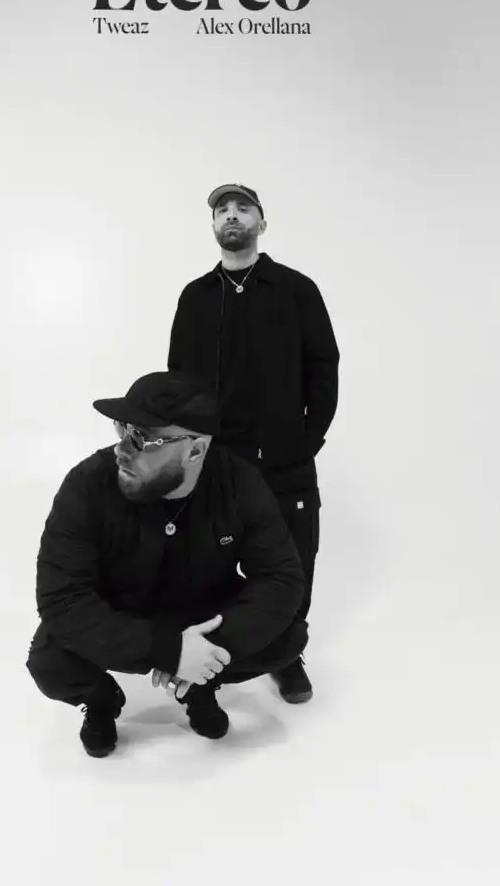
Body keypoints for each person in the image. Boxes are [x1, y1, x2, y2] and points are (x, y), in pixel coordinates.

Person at [25, 370, 308, 758]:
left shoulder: (239, 483)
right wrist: (166, 650)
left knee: (288, 637)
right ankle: (102, 700)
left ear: (195, 450)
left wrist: (207, 652)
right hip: (119, 614)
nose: (122, 448)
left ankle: (200, 685)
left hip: (204, 612)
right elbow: (61, 599)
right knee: (49, 662)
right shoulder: (87, 485)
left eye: (143, 437)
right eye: (123, 428)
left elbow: (280, 579)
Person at [167, 183, 339, 704]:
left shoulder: (296, 289)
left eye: (243, 208)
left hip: (286, 461)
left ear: (261, 223)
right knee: (211, 564)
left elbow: (324, 367)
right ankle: (214, 657)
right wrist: (190, 450)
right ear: (213, 226)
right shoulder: (196, 297)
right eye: (223, 210)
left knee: (293, 561)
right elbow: (178, 380)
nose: (232, 215)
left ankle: (285, 653)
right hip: (217, 464)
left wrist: (306, 441)